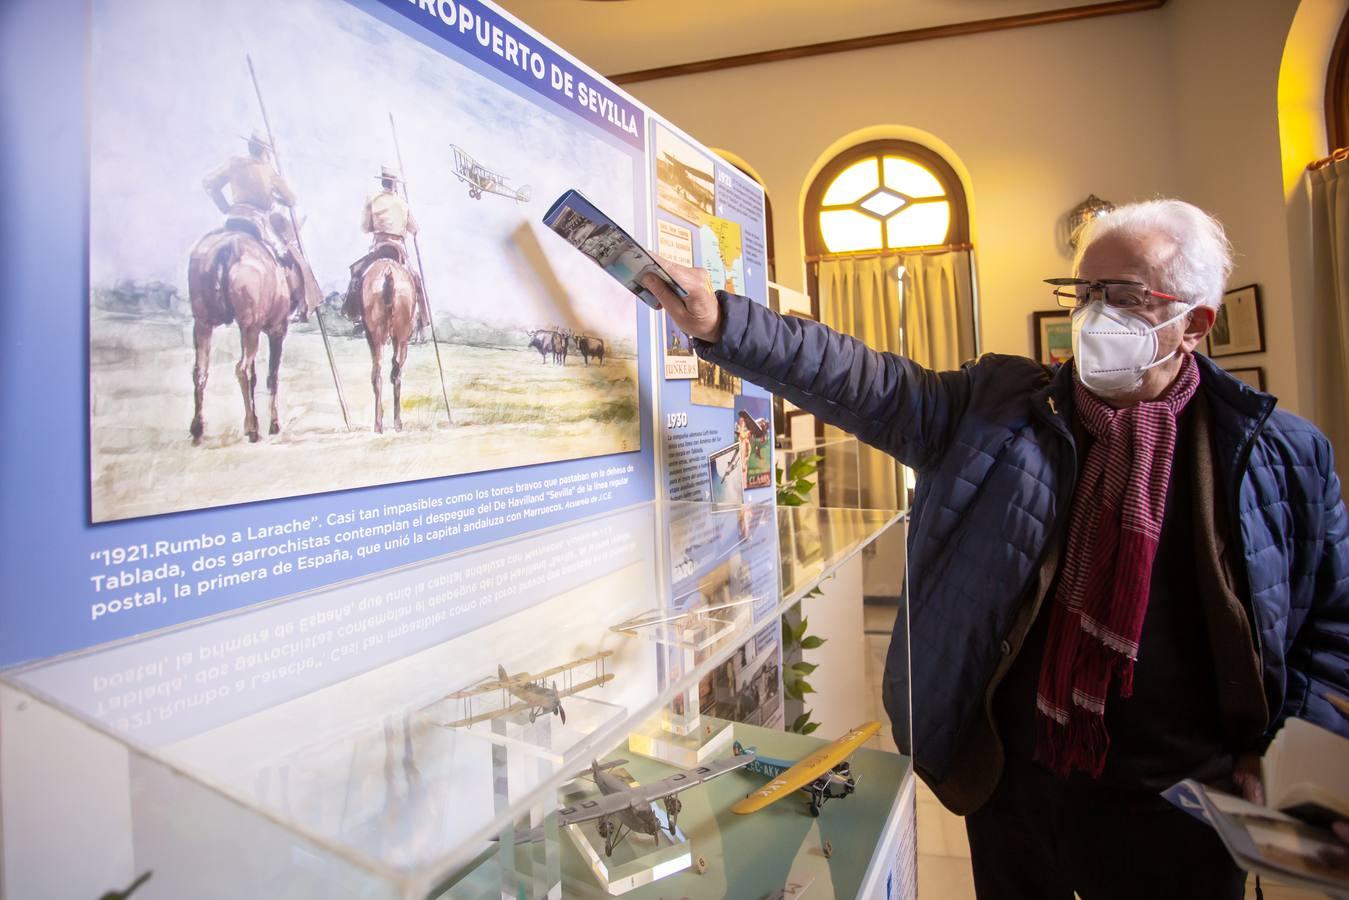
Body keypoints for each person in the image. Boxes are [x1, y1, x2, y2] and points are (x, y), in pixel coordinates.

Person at [645, 199, 1349, 899]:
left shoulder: (1280, 455)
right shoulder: (998, 408)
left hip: (1183, 809)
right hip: (1015, 785)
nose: (1094, 315)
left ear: (1193, 324)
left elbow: (1330, 625)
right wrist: (721, 323)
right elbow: (865, 381)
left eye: (1124, 296)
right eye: (1085, 292)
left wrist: (1288, 754)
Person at [344, 166, 429, 329]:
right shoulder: (403, 204)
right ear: (395, 184)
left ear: (383, 182)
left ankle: (356, 314)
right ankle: (423, 318)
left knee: (356, 272)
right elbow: (415, 229)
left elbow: (365, 227)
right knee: (416, 279)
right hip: (397, 250)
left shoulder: (372, 199)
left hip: (379, 247)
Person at [202, 129, 298, 261]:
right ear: (265, 151)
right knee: (281, 254)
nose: (270, 156)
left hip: (233, 219)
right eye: (269, 153)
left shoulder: (233, 162)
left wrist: (225, 208)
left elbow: (209, 183)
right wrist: (277, 199)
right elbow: (291, 200)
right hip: (258, 222)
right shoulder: (269, 171)